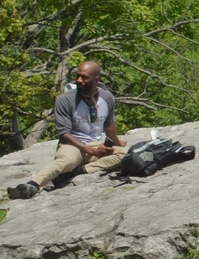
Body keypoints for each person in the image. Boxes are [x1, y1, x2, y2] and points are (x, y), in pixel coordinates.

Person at [8, 61, 127, 199]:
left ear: (96, 80)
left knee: (124, 155)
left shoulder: (107, 98)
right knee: (67, 160)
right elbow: (64, 134)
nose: (78, 80)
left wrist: (117, 143)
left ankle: (79, 171)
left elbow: (109, 125)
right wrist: (91, 151)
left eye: (84, 77)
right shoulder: (65, 99)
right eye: (77, 76)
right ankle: (32, 185)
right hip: (73, 145)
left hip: (95, 144)